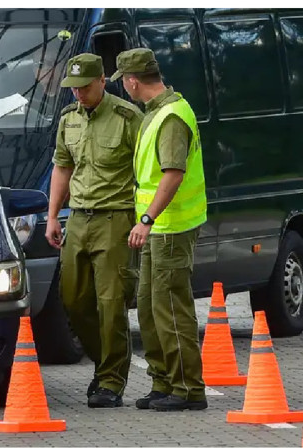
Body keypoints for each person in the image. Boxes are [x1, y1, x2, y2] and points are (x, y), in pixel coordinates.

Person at [45, 53, 144, 408]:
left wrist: (143, 219)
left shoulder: (127, 117)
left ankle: (111, 382)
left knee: (111, 303)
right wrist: (53, 215)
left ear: (103, 80)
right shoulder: (68, 119)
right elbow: (62, 166)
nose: (78, 95)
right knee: (73, 299)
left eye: (85, 87)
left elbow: (148, 170)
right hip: (78, 219)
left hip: (115, 218)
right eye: (73, 89)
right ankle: (104, 365)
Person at [115, 48, 208, 411]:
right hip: (159, 228)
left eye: (124, 81)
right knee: (150, 306)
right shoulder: (158, 112)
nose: (124, 87)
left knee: (170, 307)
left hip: (170, 227)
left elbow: (173, 174)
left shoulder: (170, 117)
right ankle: (165, 381)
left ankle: (187, 388)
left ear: (132, 81)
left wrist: (147, 219)